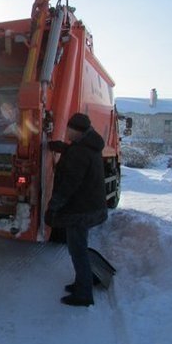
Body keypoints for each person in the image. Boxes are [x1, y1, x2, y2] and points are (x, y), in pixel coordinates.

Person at [45, 113, 108, 307]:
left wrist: (52, 208)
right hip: (89, 207)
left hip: (81, 210)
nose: (67, 132)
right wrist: (59, 147)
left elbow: (68, 186)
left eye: (69, 130)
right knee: (78, 247)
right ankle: (82, 282)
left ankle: (83, 294)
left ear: (77, 131)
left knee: (77, 250)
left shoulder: (80, 152)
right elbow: (74, 153)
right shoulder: (87, 147)